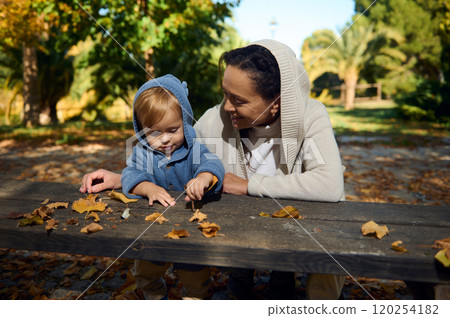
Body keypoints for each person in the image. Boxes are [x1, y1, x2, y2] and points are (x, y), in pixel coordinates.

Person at [80, 39, 345, 300]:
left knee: (329, 250)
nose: (227, 106)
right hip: (246, 224)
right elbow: (173, 152)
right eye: (225, 94)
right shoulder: (218, 118)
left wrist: (247, 184)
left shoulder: (310, 117)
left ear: (275, 102)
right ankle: (243, 276)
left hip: (301, 225)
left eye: (238, 100)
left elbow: (329, 185)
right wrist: (121, 178)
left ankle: (314, 300)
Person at [117, 74, 224, 300]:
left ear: (185, 123)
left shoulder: (192, 149)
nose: (165, 139)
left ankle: (195, 298)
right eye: (155, 132)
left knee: (195, 275)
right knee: (146, 270)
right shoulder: (143, 153)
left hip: (189, 231)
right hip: (152, 230)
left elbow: (212, 163)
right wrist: (147, 188)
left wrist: (204, 178)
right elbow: (130, 175)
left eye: (173, 130)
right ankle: (155, 298)